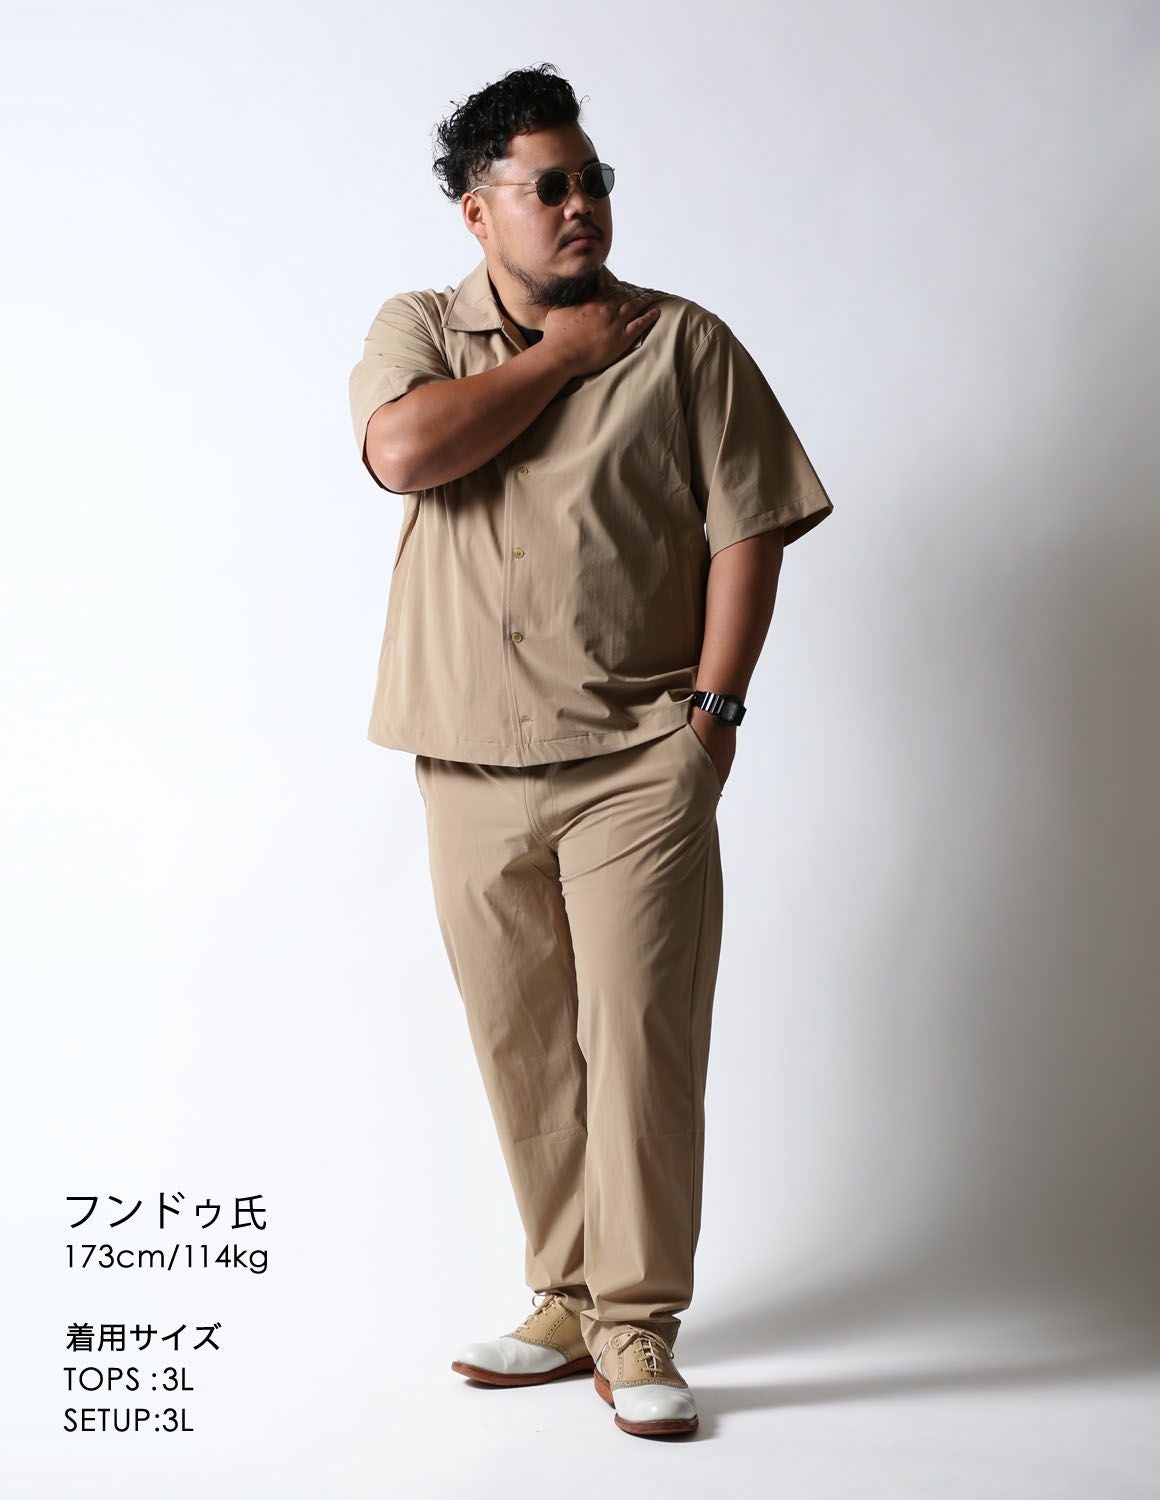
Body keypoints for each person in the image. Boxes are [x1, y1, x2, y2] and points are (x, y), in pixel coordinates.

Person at [347, 63, 833, 1441]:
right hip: (462, 757)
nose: (581, 205)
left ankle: (638, 1320)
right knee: (523, 1049)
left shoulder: (684, 344)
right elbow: (401, 453)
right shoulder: (420, 328)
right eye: (548, 185)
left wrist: (714, 718)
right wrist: (558, 359)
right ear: (477, 211)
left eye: (594, 179)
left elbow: (750, 524)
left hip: (636, 757)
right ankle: (564, 1298)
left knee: (639, 1045)